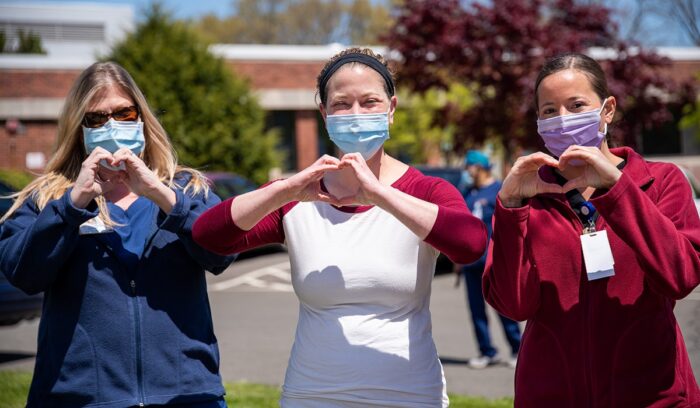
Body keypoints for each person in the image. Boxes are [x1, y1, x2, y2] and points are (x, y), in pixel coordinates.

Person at [192, 47, 487, 407]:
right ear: (324, 113)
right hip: (312, 394)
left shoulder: (426, 191)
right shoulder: (299, 197)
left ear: (391, 110)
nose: (356, 114)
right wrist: (284, 189)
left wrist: (380, 194)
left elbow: (471, 244)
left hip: (409, 394)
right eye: (342, 104)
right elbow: (209, 236)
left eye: (370, 102)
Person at [0, 62, 236, 407]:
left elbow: (222, 253)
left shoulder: (187, 189)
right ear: (78, 128)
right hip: (78, 398)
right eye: (96, 118)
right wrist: (73, 203)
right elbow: (23, 274)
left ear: (142, 118)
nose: (111, 125)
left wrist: (160, 193)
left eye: (124, 113)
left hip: (186, 396)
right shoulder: (47, 198)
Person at [483, 52, 700, 406]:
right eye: (549, 111)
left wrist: (618, 189)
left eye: (576, 105)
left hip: (654, 396)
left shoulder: (661, 182)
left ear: (607, 110)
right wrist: (510, 207)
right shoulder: (528, 195)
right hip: (550, 396)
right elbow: (514, 305)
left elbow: (681, 276)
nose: (562, 120)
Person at [454, 150, 520, 369]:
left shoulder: (499, 190)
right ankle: (486, 351)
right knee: (476, 310)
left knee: (503, 308)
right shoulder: (468, 193)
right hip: (471, 263)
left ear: (480, 167)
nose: (467, 171)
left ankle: (517, 348)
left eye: (469, 167)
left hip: (494, 262)